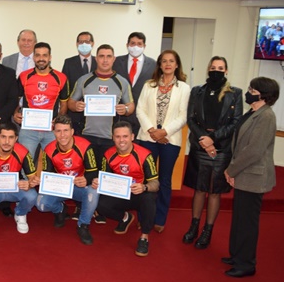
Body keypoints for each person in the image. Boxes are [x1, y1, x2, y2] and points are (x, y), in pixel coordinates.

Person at [182, 56, 242, 249]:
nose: (216, 70)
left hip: (221, 148)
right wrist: (204, 140)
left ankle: (208, 231)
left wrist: (213, 139)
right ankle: (194, 226)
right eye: (213, 67)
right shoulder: (197, 91)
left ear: (226, 70)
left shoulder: (236, 93)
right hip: (200, 146)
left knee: (214, 192)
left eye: (221, 67)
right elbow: (190, 119)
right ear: (208, 69)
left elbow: (235, 122)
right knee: (199, 189)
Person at [223, 77, 279, 278]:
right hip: (243, 173)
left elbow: (254, 151)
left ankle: (246, 264)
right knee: (239, 219)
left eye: (251, 89)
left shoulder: (267, 117)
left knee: (247, 222)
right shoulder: (254, 112)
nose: (248, 91)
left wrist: (231, 170)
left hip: (253, 176)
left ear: (262, 94)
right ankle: (236, 255)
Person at [136, 50, 190, 232]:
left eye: (171, 61)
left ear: (176, 65)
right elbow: (140, 110)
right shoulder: (149, 85)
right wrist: (152, 130)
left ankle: (159, 219)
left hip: (170, 139)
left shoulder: (184, 88)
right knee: (146, 179)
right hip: (147, 137)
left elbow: (184, 116)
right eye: (164, 61)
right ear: (159, 65)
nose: (167, 64)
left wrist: (164, 131)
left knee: (164, 180)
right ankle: (144, 218)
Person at [92, 121, 159, 256]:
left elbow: (155, 183)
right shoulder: (108, 155)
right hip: (119, 193)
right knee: (98, 202)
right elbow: (105, 178)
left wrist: (144, 187)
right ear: (113, 138)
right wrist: (98, 182)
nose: (121, 140)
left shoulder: (145, 154)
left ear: (132, 137)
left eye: (125, 136)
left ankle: (144, 237)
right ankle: (125, 217)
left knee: (149, 198)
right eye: (117, 137)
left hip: (138, 193)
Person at [36, 115, 99, 245]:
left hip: (79, 186)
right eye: (58, 131)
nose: (62, 135)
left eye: (66, 130)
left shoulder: (85, 146)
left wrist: (86, 180)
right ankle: (60, 210)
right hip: (61, 186)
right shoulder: (48, 149)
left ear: (72, 131)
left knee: (94, 191)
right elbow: (47, 173)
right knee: (41, 204)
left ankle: (83, 225)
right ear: (54, 132)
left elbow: (93, 171)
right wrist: (42, 180)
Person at [68, 44, 134, 167]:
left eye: (108, 56)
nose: (105, 60)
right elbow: (70, 102)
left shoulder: (122, 82)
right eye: (101, 56)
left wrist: (125, 109)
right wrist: (75, 105)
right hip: (86, 135)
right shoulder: (84, 80)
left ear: (113, 59)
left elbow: (131, 106)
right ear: (96, 58)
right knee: (88, 173)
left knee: (105, 175)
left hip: (111, 138)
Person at [0, 123, 38, 234]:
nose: (6, 142)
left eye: (11, 137)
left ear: (16, 139)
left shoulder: (23, 152)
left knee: (32, 195)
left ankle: (20, 214)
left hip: (15, 187)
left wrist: (30, 183)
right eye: (3, 137)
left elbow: (32, 178)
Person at [12, 42, 69, 161]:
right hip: (28, 130)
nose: (41, 59)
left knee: (55, 163)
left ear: (50, 57)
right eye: (38, 55)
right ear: (33, 57)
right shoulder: (24, 76)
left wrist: (58, 121)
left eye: (44, 55)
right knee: (25, 163)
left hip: (51, 131)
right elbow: (15, 100)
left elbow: (64, 104)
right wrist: (15, 113)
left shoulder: (61, 78)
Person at [113, 32, 157, 137]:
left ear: (144, 46)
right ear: (127, 45)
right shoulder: (116, 61)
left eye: (139, 44)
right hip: (119, 114)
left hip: (142, 116)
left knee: (138, 149)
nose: (135, 47)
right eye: (132, 43)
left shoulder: (153, 64)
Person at [62, 31, 98, 136]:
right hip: (74, 112)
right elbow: (65, 87)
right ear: (76, 44)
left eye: (87, 41)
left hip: (94, 112)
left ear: (92, 43)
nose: (84, 44)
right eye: (81, 42)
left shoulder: (99, 62)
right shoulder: (69, 62)